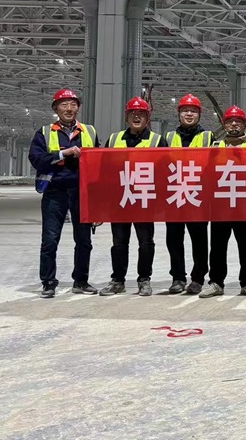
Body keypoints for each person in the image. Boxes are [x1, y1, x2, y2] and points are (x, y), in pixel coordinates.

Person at [28, 88, 100, 298]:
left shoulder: (89, 132)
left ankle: (81, 281)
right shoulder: (44, 132)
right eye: (64, 104)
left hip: (82, 192)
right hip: (55, 191)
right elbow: (37, 160)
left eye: (73, 104)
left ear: (78, 108)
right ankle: (48, 282)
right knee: (50, 240)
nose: (69, 108)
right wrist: (62, 154)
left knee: (84, 240)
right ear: (55, 108)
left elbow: (98, 162)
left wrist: (98, 202)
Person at [100, 97, 163, 297]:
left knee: (145, 242)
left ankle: (144, 279)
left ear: (148, 118)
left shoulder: (157, 141)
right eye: (132, 114)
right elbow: (104, 170)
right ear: (126, 117)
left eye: (141, 114)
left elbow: (164, 171)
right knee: (119, 242)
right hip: (120, 199)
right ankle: (118, 280)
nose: (137, 117)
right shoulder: (114, 139)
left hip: (145, 199)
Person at [200, 106, 246, 298]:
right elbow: (207, 173)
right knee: (217, 246)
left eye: (238, 121)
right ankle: (216, 282)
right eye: (229, 121)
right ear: (224, 125)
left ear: (244, 125)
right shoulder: (215, 147)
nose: (234, 124)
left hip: (244, 205)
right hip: (221, 205)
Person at [164, 94, 214, 295]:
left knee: (199, 240)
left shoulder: (208, 137)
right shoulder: (168, 137)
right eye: (185, 110)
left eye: (193, 111)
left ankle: (198, 278)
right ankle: (177, 277)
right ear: (179, 114)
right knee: (174, 239)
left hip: (198, 195)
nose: (189, 114)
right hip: (174, 194)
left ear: (199, 114)